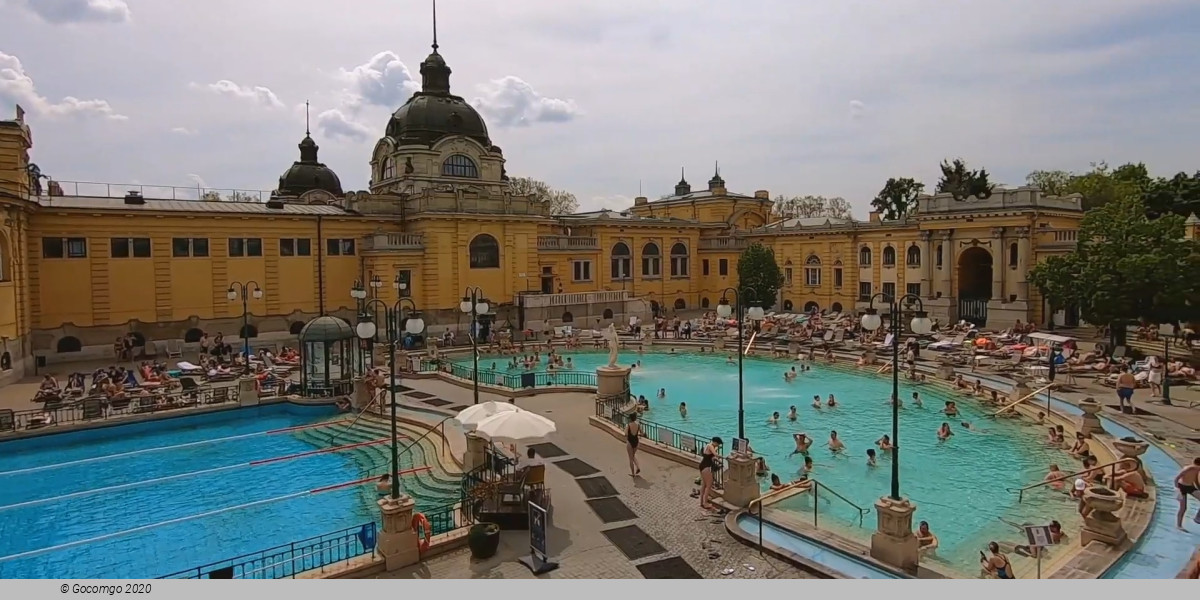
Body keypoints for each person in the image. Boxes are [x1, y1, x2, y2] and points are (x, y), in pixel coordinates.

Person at [1174, 457, 1200, 530]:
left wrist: (1198, 488)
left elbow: (1195, 480)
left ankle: (1197, 518)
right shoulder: (1189, 468)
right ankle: (1179, 525)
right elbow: (1176, 478)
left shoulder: (1197, 469)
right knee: (1183, 508)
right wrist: (1177, 489)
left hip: (1190, 487)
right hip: (1181, 487)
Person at [699, 436, 722, 511]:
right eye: (717, 444)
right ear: (715, 442)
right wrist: (723, 457)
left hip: (703, 465)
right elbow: (715, 454)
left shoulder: (708, 447)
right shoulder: (710, 446)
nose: (717, 446)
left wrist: (718, 460)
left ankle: (702, 501)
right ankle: (705, 503)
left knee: (704, 484)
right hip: (705, 467)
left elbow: (711, 457)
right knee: (709, 484)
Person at [625, 412, 642, 477]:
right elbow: (642, 433)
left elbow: (626, 434)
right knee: (633, 455)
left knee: (630, 458)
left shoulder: (628, 425)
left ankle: (633, 473)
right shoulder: (638, 424)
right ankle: (638, 467)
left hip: (630, 442)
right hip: (636, 442)